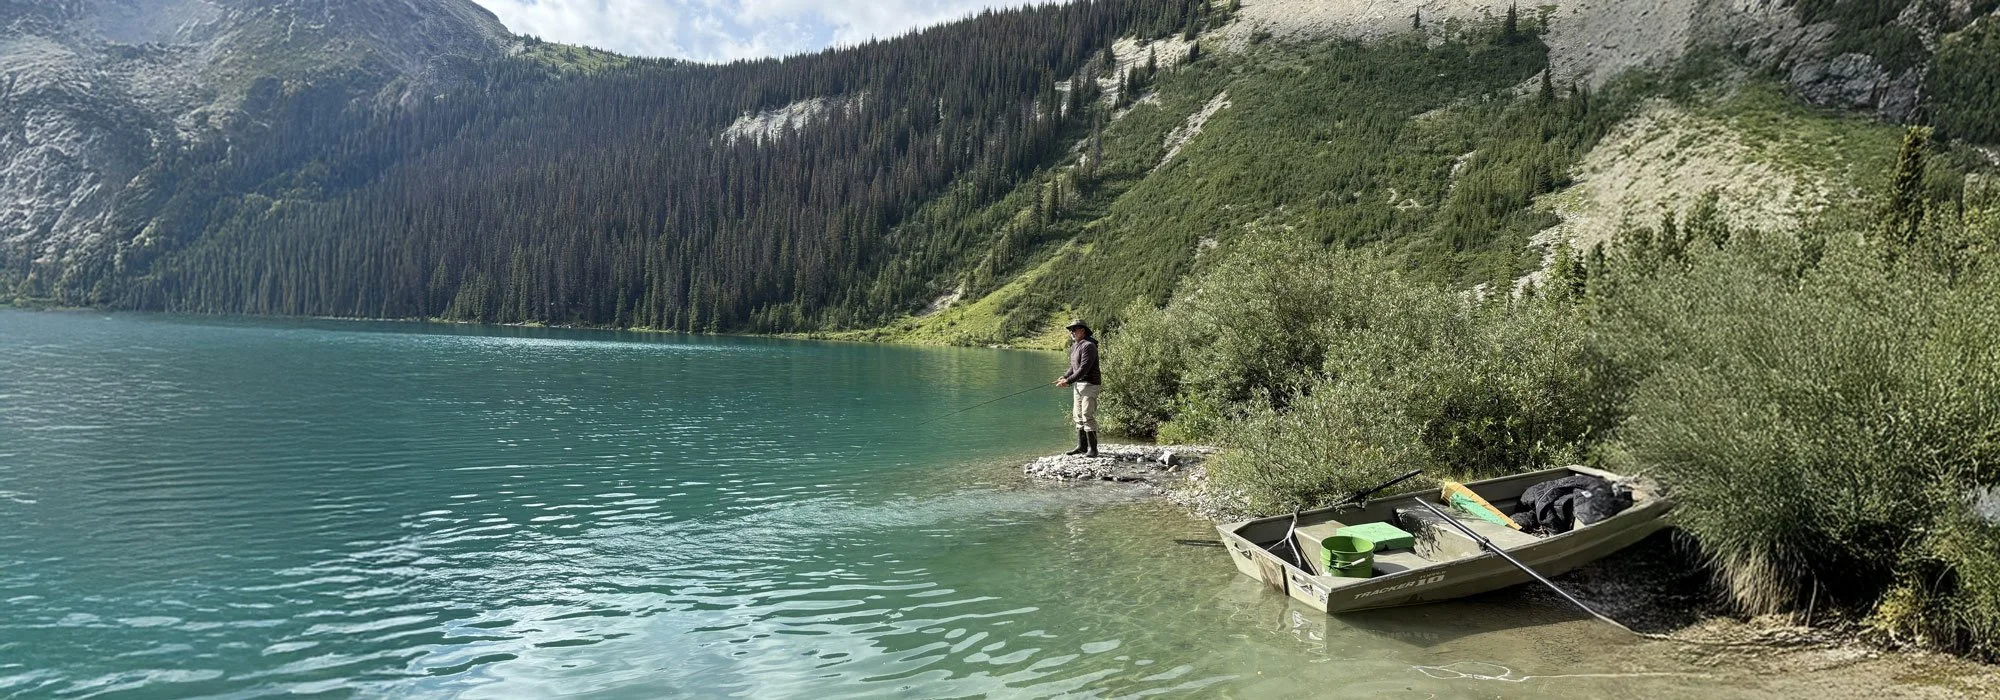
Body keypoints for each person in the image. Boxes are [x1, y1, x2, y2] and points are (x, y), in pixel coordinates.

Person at [1054, 319, 1101, 457]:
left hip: (1090, 384)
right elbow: (1073, 367)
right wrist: (1064, 377)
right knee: (1078, 415)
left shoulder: (1089, 346)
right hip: (1078, 384)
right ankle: (1082, 447)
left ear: (1083, 330)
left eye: (1074, 329)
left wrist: (1068, 381)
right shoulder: (1075, 346)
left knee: (1087, 415)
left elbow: (1084, 368)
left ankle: (1093, 450)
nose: (1072, 332)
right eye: (1070, 330)